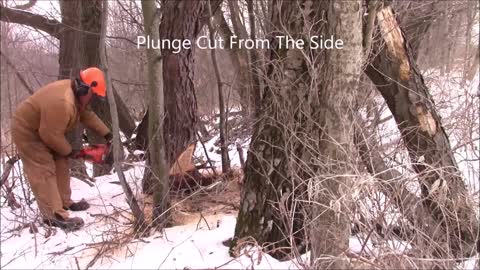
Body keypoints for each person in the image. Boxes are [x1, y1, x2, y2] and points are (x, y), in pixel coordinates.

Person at [11, 67, 113, 231]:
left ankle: (65, 202)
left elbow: (87, 115)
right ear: (85, 89)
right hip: (28, 131)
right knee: (43, 168)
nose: (92, 98)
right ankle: (53, 215)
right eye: (93, 94)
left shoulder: (77, 97)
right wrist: (72, 152)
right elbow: (49, 135)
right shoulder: (63, 102)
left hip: (46, 128)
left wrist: (108, 134)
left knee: (61, 161)